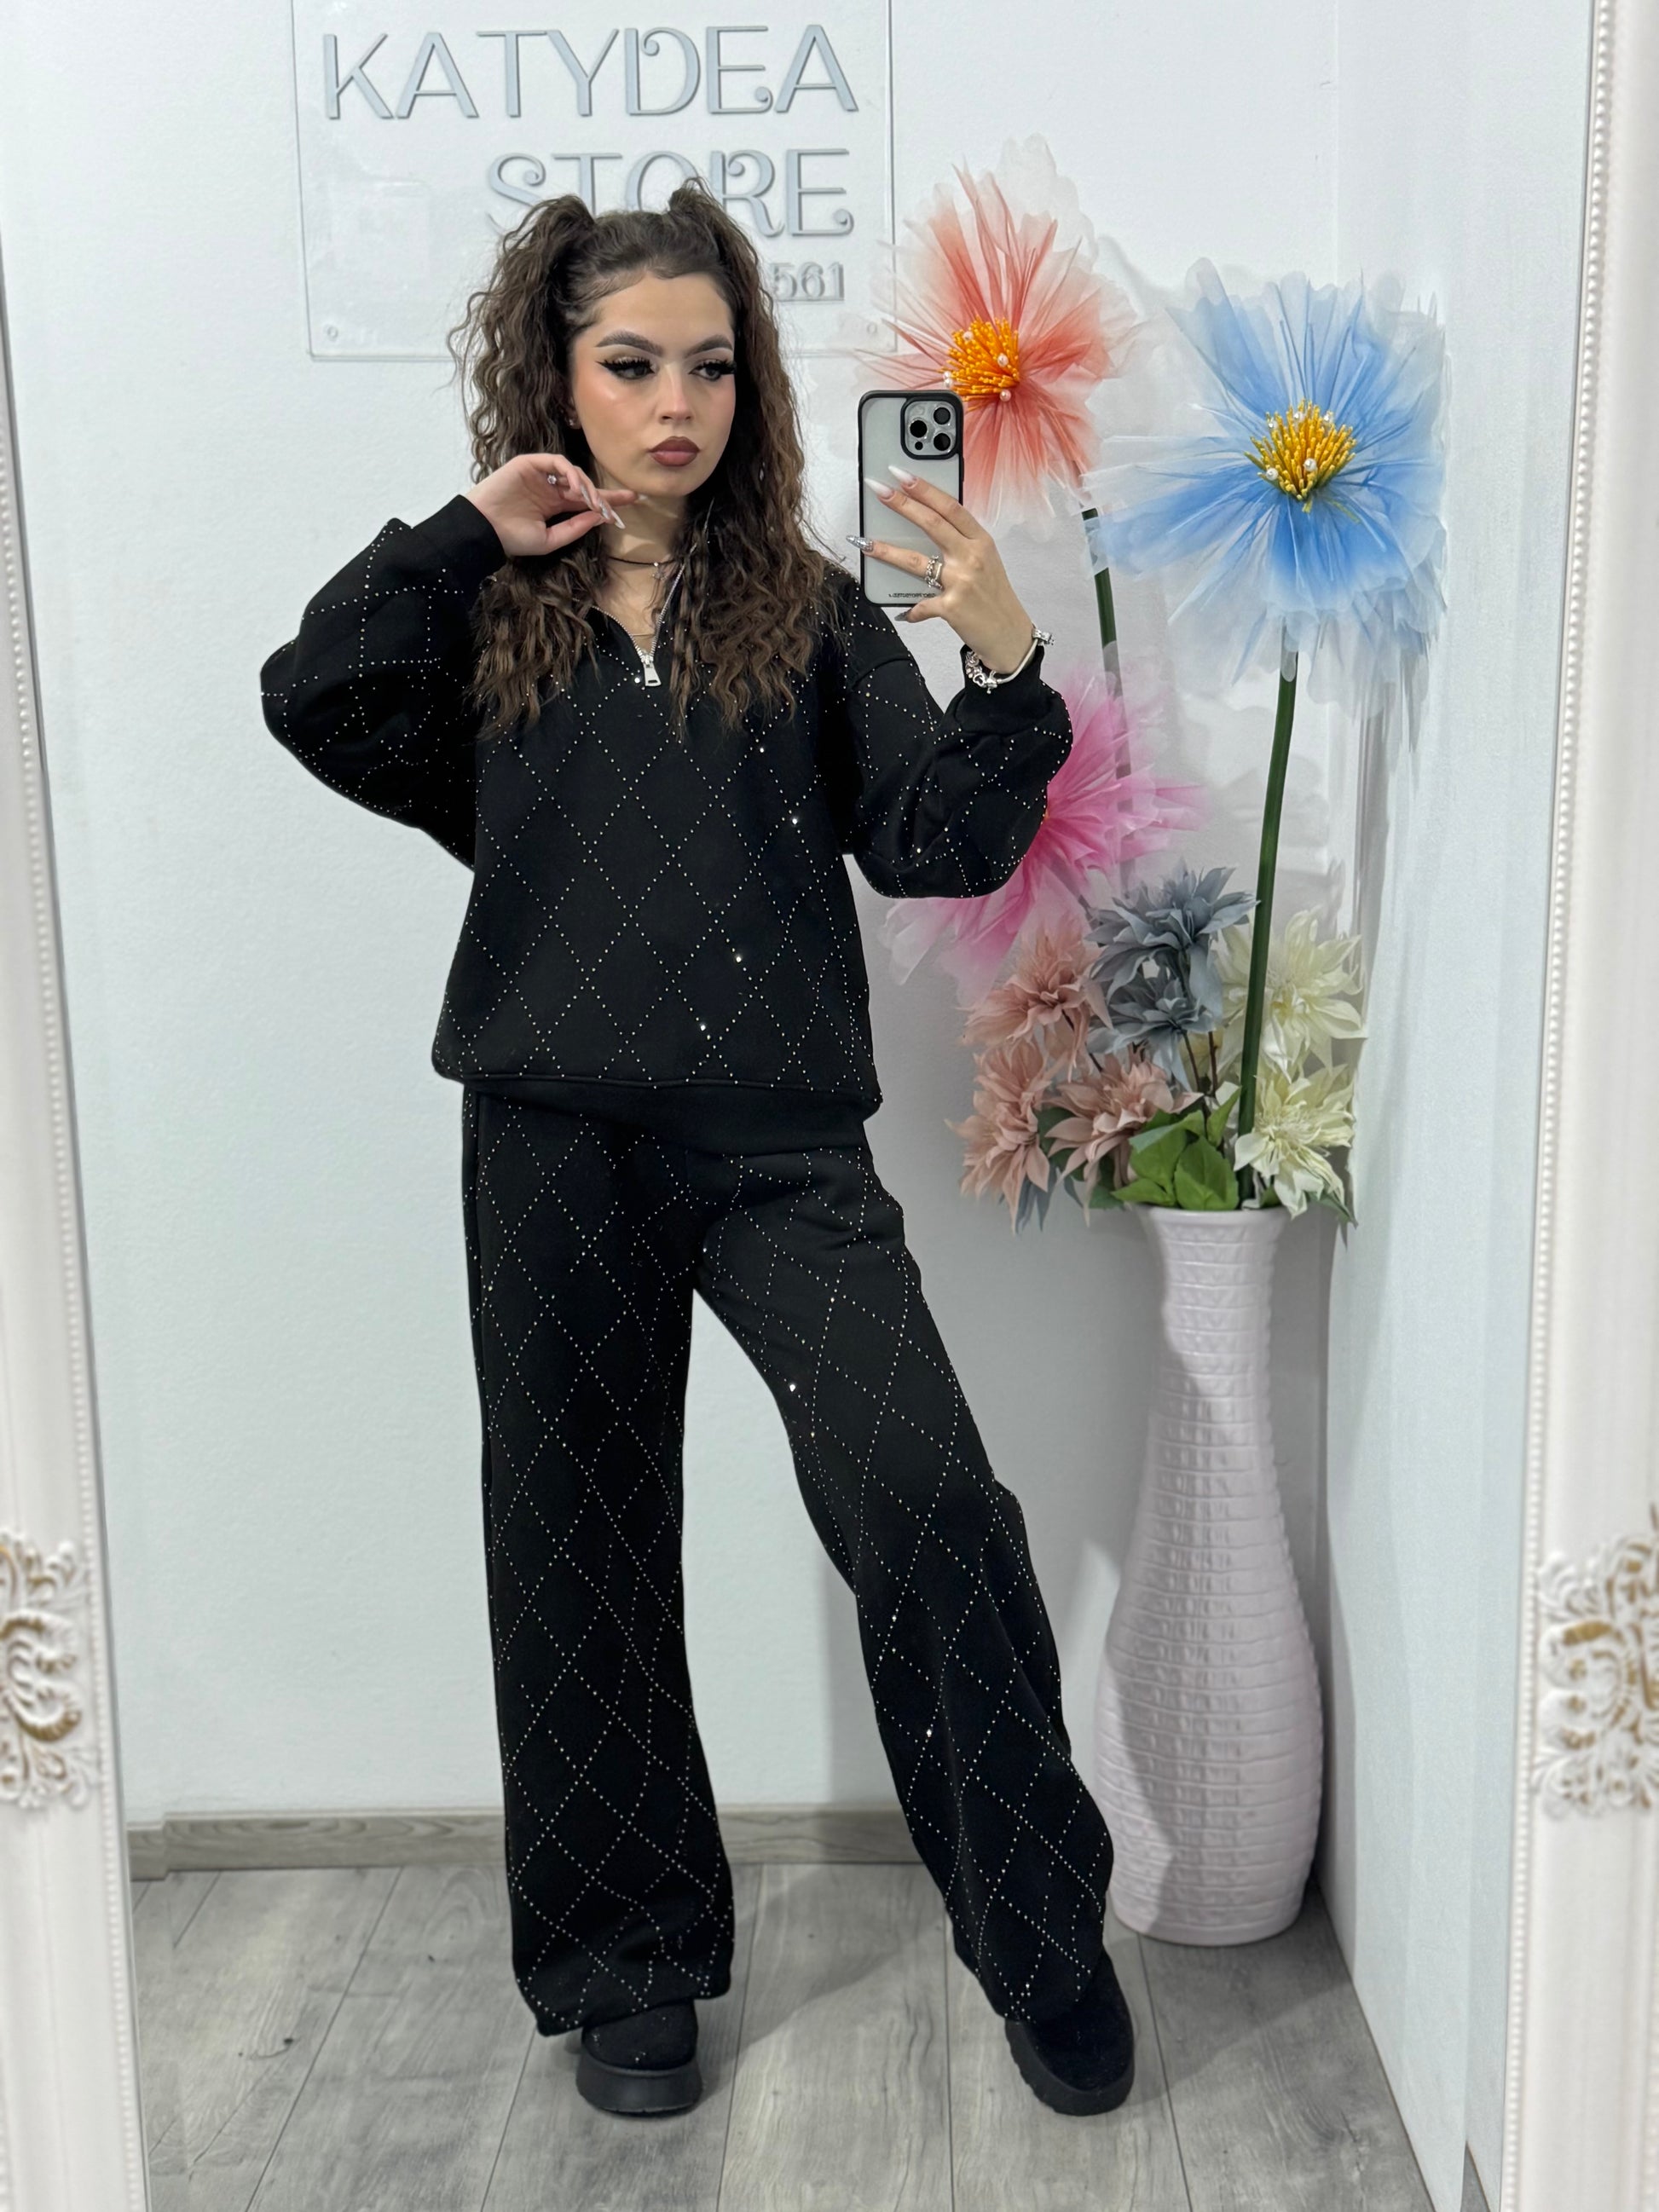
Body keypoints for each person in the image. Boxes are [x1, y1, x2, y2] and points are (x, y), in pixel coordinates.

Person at [258, 179, 1133, 2124]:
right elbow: (311, 694)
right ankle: (626, 1962)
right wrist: (462, 533)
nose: (677, 405)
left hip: (777, 1148)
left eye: (712, 366)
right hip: (550, 1133)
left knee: (924, 1495)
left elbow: (937, 839)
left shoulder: (807, 612)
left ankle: (1043, 1941)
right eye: (632, 364)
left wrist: (1005, 665)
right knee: (572, 1542)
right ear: (556, 378)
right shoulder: (484, 620)